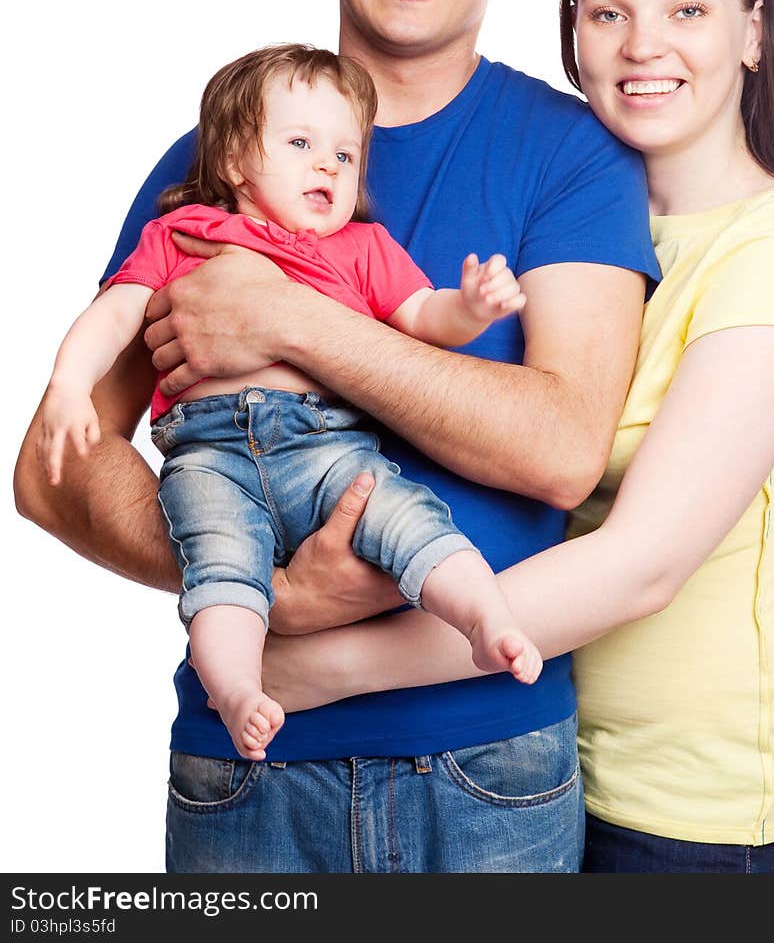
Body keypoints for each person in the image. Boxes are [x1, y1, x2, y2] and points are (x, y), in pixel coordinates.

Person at [14, 0, 659, 873]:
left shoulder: (571, 152)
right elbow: (52, 469)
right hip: (246, 763)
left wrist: (290, 320)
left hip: (488, 765)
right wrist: (250, 583)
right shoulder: (206, 167)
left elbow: (559, 450)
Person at [254, 0, 774, 875]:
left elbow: (640, 563)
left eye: (687, 8)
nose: (642, 45)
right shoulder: (587, 236)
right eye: (605, 11)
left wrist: (317, 665)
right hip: (546, 768)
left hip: (704, 821)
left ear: (753, 34)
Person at [38, 41, 543, 762]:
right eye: (301, 143)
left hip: (327, 446)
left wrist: (470, 306)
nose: (327, 166)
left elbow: (422, 316)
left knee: (407, 517)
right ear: (236, 161)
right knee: (219, 566)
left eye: (344, 154)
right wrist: (66, 381)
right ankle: (242, 686)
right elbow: (117, 314)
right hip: (209, 455)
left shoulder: (361, 247)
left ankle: (486, 619)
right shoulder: (183, 234)